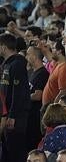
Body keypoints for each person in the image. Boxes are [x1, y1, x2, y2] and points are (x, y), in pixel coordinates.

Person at [0, 33, 31, 162]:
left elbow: (18, 92)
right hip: (6, 115)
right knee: (7, 150)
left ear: (3, 47)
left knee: (15, 151)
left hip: (16, 118)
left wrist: (12, 116)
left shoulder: (17, 64)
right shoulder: (7, 64)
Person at [26, 45, 50, 150]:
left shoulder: (42, 73)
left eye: (28, 54)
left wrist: (23, 96)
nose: (26, 56)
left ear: (34, 57)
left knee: (32, 146)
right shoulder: (33, 72)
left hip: (35, 118)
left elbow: (37, 95)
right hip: (30, 115)